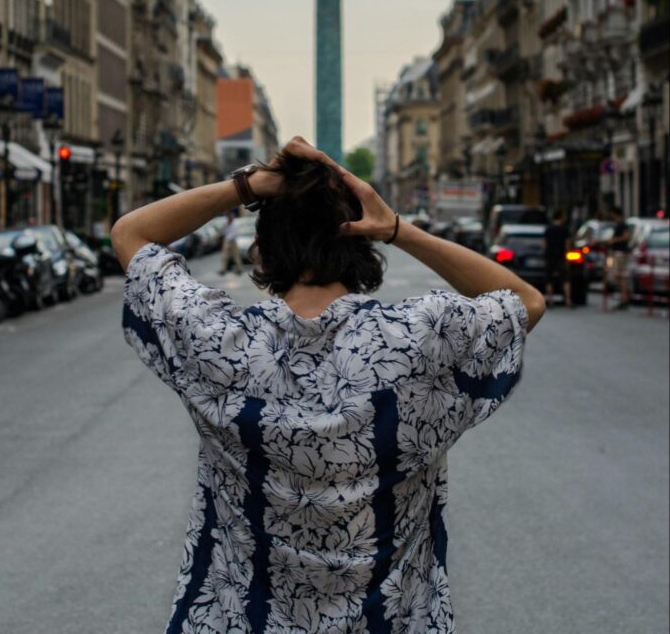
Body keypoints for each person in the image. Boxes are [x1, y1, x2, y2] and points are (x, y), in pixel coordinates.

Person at [111, 135, 546, 634]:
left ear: (263, 251)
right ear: (359, 243)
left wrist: (252, 184)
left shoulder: (220, 342)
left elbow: (131, 234)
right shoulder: (415, 338)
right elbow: (524, 300)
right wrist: (399, 229)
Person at [543, 207, 572, 308]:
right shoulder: (564, 229)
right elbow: (567, 244)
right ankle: (568, 300)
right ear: (561, 217)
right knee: (565, 278)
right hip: (561, 256)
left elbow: (545, 244)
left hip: (550, 256)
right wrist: (567, 256)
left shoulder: (549, 229)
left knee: (549, 279)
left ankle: (550, 300)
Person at [608, 206, 631, 310]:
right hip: (618, 252)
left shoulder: (622, 225)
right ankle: (624, 296)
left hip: (620, 253)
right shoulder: (618, 225)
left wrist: (614, 240)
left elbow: (626, 236)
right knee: (619, 275)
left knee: (619, 275)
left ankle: (624, 297)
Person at [218, 207, 243, 275]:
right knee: (224, 256)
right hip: (227, 241)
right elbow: (223, 231)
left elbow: (235, 233)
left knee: (236, 256)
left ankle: (239, 269)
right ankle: (223, 269)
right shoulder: (225, 221)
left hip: (233, 241)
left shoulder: (235, 223)